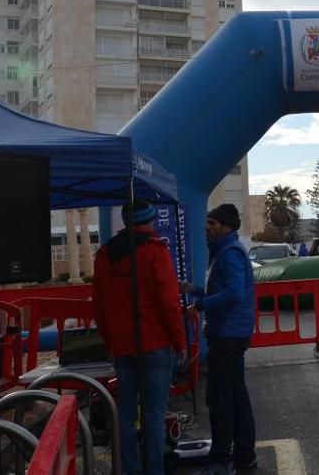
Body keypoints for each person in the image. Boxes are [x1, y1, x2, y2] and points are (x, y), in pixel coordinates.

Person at [93, 200, 185, 475]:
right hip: (155, 344)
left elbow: (98, 305)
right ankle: (155, 470)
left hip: (122, 346)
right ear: (150, 220)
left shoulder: (104, 255)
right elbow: (168, 302)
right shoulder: (156, 252)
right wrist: (179, 341)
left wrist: (109, 342)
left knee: (126, 414)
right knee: (154, 415)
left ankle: (129, 469)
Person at [180, 204, 257, 473]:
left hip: (228, 336)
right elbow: (223, 289)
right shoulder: (223, 252)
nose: (207, 227)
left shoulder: (229, 254)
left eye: (212, 223)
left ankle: (221, 461)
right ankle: (245, 456)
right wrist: (196, 290)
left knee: (220, 399)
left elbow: (235, 293)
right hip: (229, 334)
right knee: (236, 396)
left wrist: (201, 306)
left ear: (226, 226)